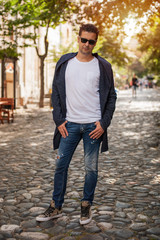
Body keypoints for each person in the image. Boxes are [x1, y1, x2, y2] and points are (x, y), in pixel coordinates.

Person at [36, 24, 117, 225]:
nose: (87, 44)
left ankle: (86, 205)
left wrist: (103, 124)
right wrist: (59, 119)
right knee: (60, 166)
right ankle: (56, 206)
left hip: (93, 127)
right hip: (69, 125)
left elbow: (111, 97)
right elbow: (55, 91)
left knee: (91, 169)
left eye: (91, 41)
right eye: (84, 40)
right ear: (78, 39)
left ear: (95, 43)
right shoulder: (65, 62)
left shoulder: (103, 66)